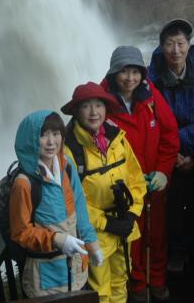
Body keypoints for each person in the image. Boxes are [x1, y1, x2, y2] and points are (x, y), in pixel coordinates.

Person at [101, 45, 180, 302]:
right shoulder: (101, 103)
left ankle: (156, 280)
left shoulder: (150, 97)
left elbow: (169, 136)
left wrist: (162, 171)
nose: (130, 78)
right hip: (122, 187)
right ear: (114, 73)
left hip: (153, 183)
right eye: (124, 72)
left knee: (156, 234)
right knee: (130, 238)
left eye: (135, 72)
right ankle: (136, 285)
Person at [61, 82, 148, 303]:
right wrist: (106, 223)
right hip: (94, 233)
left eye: (99, 105)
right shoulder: (70, 150)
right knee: (100, 290)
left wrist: (131, 213)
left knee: (121, 280)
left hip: (123, 225)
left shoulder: (117, 139)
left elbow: (136, 179)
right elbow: (69, 200)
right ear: (76, 111)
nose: (93, 112)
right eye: (86, 106)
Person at [9, 110, 104, 297]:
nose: (51, 141)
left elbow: (80, 209)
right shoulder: (24, 183)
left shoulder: (67, 166)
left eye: (56, 133)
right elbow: (20, 232)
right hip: (45, 277)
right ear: (30, 139)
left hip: (76, 267)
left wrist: (92, 245)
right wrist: (57, 240)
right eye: (43, 135)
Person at [147, 18, 194, 273]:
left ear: (189, 45)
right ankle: (177, 252)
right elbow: (149, 120)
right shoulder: (151, 78)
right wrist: (171, 154)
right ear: (161, 47)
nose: (175, 50)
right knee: (171, 206)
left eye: (180, 43)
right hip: (166, 154)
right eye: (169, 44)